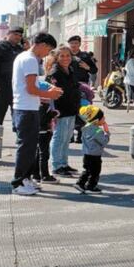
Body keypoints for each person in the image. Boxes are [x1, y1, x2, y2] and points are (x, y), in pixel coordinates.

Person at [10, 33, 62, 196]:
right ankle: (18, 182)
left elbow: (35, 84)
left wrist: (47, 90)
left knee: (31, 146)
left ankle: (26, 179)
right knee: (26, 147)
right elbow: (31, 88)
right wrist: (49, 95)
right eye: (49, 49)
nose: (47, 54)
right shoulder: (30, 59)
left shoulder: (25, 57)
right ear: (42, 44)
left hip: (28, 107)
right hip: (26, 109)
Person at [47, 45, 82, 177]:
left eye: (68, 55)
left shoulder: (70, 69)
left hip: (71, 108)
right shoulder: (55, 72)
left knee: (67, 138)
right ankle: (56, 166)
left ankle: (64, 163)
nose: (65, 58)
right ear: (57, 57)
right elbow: (53, 92)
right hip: (60, 109)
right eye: (62, 56)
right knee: (59, 137)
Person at [0, 26, 24, 125]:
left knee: (17, 115)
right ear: (8, 34)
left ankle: (19, 140)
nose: (18, 37)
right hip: (2, 87)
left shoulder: (21, 50)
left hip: (16, 88)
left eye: (20, 35)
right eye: (15, 34)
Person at [75, 104, 110, 193]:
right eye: (103, 117)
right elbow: (104, 141)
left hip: (86, 153)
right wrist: (107, 132)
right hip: (95, 155)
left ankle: (84, 184)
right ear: (97, 120)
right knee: (95, 172)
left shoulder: (86, 128)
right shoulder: (98, 131)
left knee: (88, 170)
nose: (104, 119)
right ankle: (86, 185)